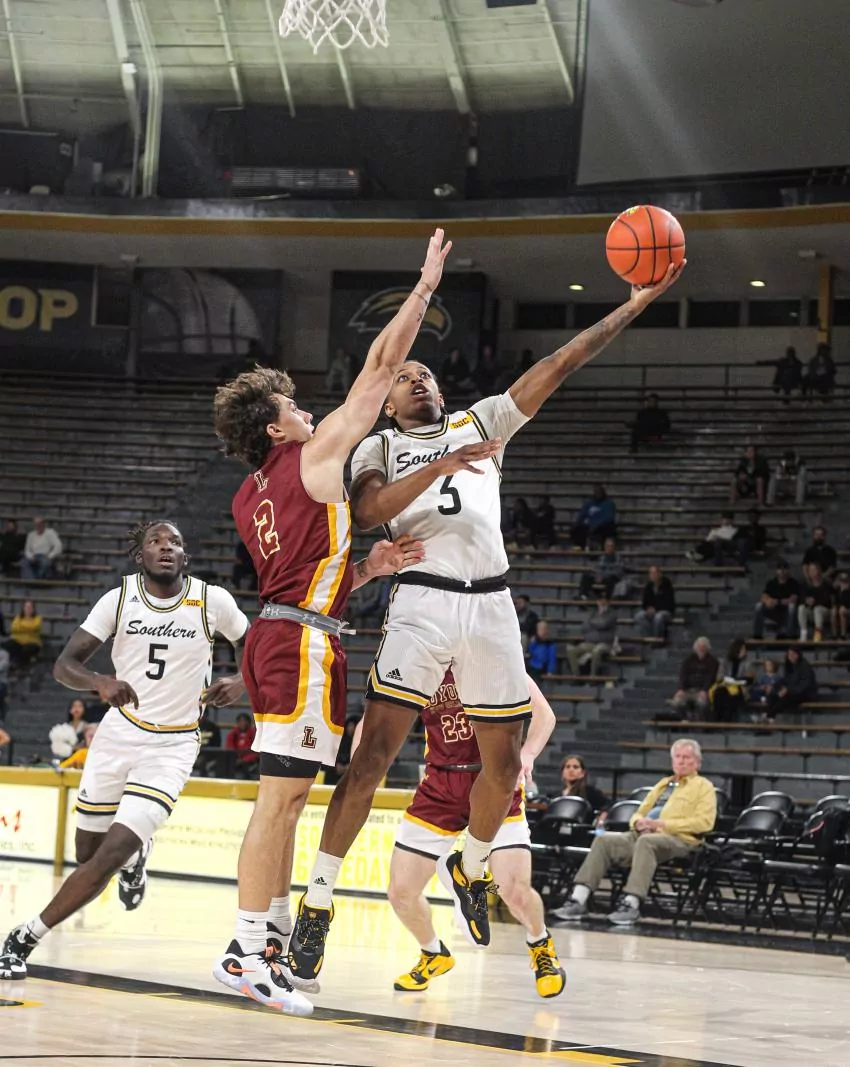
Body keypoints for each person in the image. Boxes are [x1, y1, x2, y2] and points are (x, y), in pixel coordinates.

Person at [290, 257, 684, 982]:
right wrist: (441, 466)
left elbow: (560, 363)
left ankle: (471, 865)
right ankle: (317, 900)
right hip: (422, 599)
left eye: (425, 373)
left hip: (493, 602)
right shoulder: (380, 446)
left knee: (502, 767)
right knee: (371, 757)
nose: (417, 379)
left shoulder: (482, 421)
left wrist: (633, 305)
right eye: (404, 377)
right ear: (388, 403)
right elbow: (370, 512)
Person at [209, 228, 447, 1011]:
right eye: (295, 407)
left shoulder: (249, 493)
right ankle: (245, 950)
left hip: (287, 629)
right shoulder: (309, 457)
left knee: (287, 797)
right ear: (275, 429)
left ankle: (270, 939)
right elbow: (379, 369)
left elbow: (299, 569)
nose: (311, 411)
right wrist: (422, 289)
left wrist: (366, 568)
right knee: (279, 801)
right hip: (299, 644)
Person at [0, 521, 250, 982]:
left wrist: (240, 679)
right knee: (87, 852)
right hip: (119, 733)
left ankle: (22, 938)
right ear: (141, 557)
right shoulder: (118, 599)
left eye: (175, 542)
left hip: (173, 744)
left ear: (185, 556)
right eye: (156, 541)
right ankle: (137, 859)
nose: (166, 547)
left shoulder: (212, 600)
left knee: (108, 856)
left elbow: (254, 646)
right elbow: (64, 665)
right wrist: (99, 681)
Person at [383, 671, 564, 999]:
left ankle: (541, 946)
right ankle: (433, 953)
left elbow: (545, 714)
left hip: (495, 779)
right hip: (441, 783)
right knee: (400, 892)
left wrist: (527, 755)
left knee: (514, 890)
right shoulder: (423, 664)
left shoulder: (494, 656)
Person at [553, 738, 716, 926]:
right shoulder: (664, 784)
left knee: (646, 843)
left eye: (686, 757)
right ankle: (578, 900)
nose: (681, 761)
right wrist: (637, 822)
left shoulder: (703, 787)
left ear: (697, 762)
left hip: (680, 840)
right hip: (643, 835)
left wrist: (661, 824)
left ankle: (631, 904)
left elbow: (705, 823)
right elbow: (639, 811)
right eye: (677, 757)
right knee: (604, 840)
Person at [567, 594, 616, 679]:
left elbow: (603, 624)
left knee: (597, 650)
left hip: (605, 644)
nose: (601, 602)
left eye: (603, 600)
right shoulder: (593, 613)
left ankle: (593, 678)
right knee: (571, 650)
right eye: (599, 600)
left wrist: (591, 623)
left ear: (608, 602)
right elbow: (584, 628)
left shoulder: (612, 614)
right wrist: (596, 624)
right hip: (590, 643)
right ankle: (576, 676)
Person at [671, 637, 719, 720]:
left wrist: (705, 690)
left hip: (703, 691)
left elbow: (711, 678)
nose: (701, 649)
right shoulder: (688, 661)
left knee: (703, 704)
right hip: (688, 690)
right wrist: (681, 689)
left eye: (703, 647)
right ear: (695, 648)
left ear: (707, 648)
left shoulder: (713, 662)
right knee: (676, 702)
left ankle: (699, 722)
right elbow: (683, 676)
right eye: (699, 647)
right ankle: (685, 719)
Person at [765, 648, 817, 721]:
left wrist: (788, 690)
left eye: (793, 654)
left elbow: (805, 686)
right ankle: (768, 717)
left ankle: (769, 717)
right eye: (789, 655)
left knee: (783, 701)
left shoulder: (805, 667)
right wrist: (777, 687)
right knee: (773, 695)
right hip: (791, 692)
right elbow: (786, 681)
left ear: (798, 655)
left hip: (804, 694)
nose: (791, 657)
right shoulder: (789, 666)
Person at [753, 560, 799, 639]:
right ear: (776, 571)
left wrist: (778, 601)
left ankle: (790, 634)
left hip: (786, 613)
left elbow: (793, 599)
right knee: (758, 606)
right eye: (780, 569)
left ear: (788, 570)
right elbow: (764, 597)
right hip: (773, 610)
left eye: (784, 568)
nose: (782, 571)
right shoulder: (771, 583)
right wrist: (768, 601)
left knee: (792, 606)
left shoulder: (793, 583)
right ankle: (757, 635)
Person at [635, 565, 676, 642]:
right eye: (650, 573)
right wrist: (648, 608)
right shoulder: (648, 586)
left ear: (659, 574)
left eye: (654, 573)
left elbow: (668, 603)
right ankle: (648, 637)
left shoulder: (666, 584)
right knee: (639, 616)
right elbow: (644, 602)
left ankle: (657, 639)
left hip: (666, 611)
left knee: (658, 617)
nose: (652, 575)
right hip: (652, 611)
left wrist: (655, 609)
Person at [578, 536, 627, 600]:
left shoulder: (618, 558)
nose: (609, 548)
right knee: (586, 575)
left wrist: (603, 576)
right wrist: (598, 575)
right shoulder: (602, 557)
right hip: (602, 577)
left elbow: (618, 572)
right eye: (607, 546)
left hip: (611, 578)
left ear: (614, 547)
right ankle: (583, 596)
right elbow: (598, 568)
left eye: (611, 546)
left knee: (611, 579)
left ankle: (607, 599)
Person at [570, 485, 617, 551]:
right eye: (596, 492)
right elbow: (582, 516)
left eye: (600, 492)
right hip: (589, 525)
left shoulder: (609, 503)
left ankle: (604, 549)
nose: (598, 494)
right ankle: (580, 548)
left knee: (608, 527)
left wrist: (596, 525)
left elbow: (609, 518)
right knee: (578, 529)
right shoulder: (588, 503)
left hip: (602, 526)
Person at [3, 600, 43, 674]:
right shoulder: (18, 617)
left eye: (30, 607)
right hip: (18, 640)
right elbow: (14, 627)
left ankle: (17, 664)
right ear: (23, 608)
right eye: (26, 607)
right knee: (7, 645)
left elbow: (35, 627)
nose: (28, 609)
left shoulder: (37, 618)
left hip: (32, 642)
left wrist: (21, 627)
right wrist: (27, 628)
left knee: (27, 649)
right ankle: (12, 662)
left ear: (33, 609)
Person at [798, 562, 833, 642]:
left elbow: (827, 601)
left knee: (818, 609)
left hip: (824, 610)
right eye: (812, 571)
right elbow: (800, 598)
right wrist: (806, 600)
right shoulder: (805, 584)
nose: (815, 573)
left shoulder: (826, 584)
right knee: (801, 608)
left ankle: (818, 634)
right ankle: (803, 633)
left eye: (816, 570)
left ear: (820, 571)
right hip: (811, 610)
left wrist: (815, 601)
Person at [323, 714, 361, 786]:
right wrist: (336, 766)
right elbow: (329, 756)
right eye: (349, 725)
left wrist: (350, 767)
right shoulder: (338, 740)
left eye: (353, 725)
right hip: (335, 771)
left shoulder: (360, 743)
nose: (350, 728)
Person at [21, 517, 63, 581]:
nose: (38, 526)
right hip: (34, 556)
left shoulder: (50, 533)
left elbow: (58, 546)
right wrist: (31, 556)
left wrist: (50, 556)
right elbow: (27, 550)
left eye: (39, 524)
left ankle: (38, 579)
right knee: (24, 562)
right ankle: (31, 580)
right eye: (36, 524)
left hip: (45, 555)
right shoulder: (31, 535)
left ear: (43, 524)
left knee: (45, 562)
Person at [225, 712, 260, 780]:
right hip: (236, 760)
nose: (242, 723)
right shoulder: (232, 734)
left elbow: (256, 752)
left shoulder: (254, 734)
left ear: (249, 722)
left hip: (250, 761)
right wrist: (236, 759)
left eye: (245, 721)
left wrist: (243, 760)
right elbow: (230, 748)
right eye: (240, 721)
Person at [833, 572, 850, 640]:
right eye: (842, 581)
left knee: (842, 610)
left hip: (847, 609)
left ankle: (843, 634)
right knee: (837, 611)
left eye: (846, 581)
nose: (844, 583)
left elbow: (846, 603)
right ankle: (836, 635)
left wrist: (845, 591)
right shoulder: (836, 590)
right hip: (841, 610)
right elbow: (835, 602)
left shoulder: (846, 591)